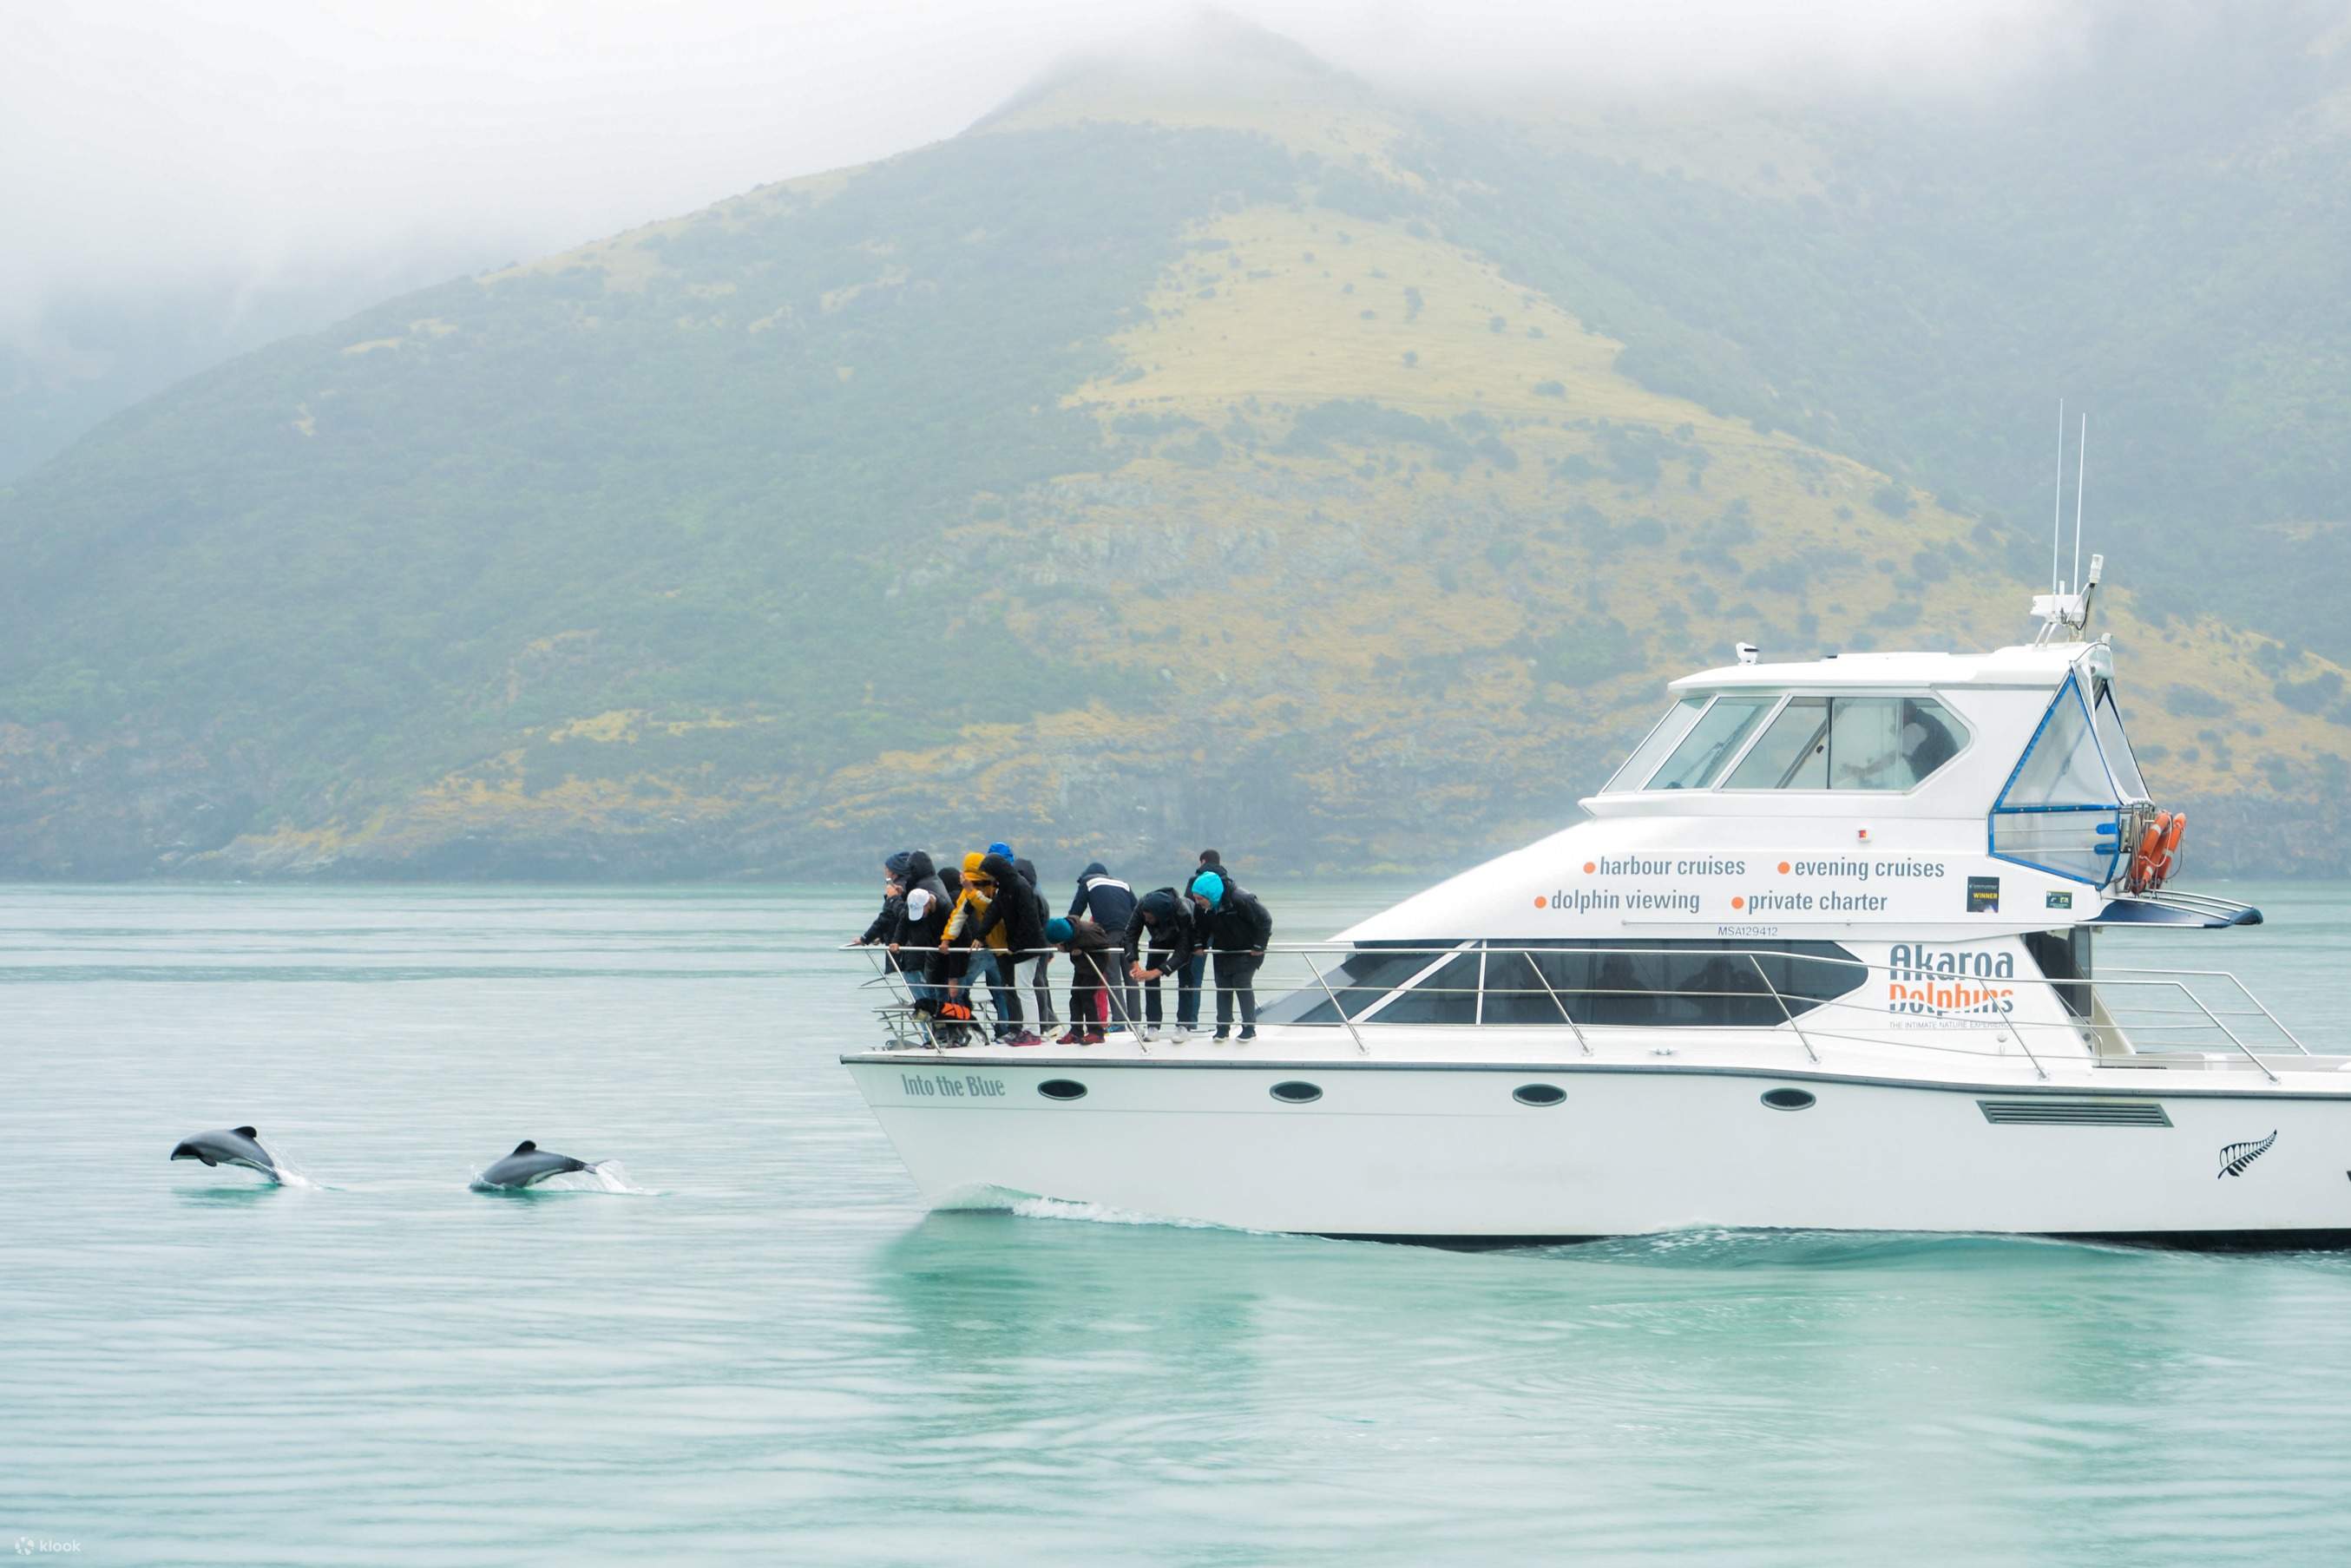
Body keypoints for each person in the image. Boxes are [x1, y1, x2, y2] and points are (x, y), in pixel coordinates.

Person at [942, 852, 1031, 1043]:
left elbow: (991, 910)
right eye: (975, 883)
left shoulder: (999, 889)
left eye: (981, 883)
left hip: (1006, 947)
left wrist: (972, 892)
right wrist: (947, 939)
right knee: (1005, 990)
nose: (978, 888)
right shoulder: (972, 892)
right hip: (995, 947)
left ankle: (1015, 1029)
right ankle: (1009, 1029)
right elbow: (958, 915)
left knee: (1009, 990)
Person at [970, 850, 1048, 1046]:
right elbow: (994, 912)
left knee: (1024, 988)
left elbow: (1029, 919)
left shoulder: (1020, 887)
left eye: (990, 874)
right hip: (1020, 946)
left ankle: (1033, 1032)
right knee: (1021, 987)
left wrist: (1015, 945)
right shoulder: (1005, 887)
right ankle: (1028, 1030)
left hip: (1028, 946)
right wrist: (981, 935)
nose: (989, 879)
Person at [1190, 869, 1271, 1041]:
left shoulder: (1241, 899)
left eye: (1200, 899)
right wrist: (1199, 944)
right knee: (1223, 986)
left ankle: (1249, 1028)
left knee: (1242, 984)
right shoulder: (1205, 908)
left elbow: (1265, 920)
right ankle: (1223, 1027)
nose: (1197, 903)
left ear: (1210, 894)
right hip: (1223, 950)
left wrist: (1259, 945)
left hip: (1247, 950)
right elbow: (1200, 928)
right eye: (1196, 899)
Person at [992, 842, 1057, 1031]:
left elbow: (1032, 920)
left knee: (1033, 984)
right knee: (1036, 983)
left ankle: (1042, 1026)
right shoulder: (1032, 889)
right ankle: (1046, 1024)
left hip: (1030, 946)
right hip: (1038, 944)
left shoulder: (1026, 891)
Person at [1067, 860, 1139, 1031]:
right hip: (1130, 934)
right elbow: (1138, 909)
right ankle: (1136, 1023)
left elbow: (1075, 914)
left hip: (1109, 934)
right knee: (1132, 978)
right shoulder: (1123, 884)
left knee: (1113, 977)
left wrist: (1068, 938)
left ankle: (1119, 1022)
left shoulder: (1088, 882)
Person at [884, 850, 951, 1031]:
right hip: (930, 956)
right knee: (933, 998)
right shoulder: (933, 884)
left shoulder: (927, 893)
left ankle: (934, 1034)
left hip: (920, 957)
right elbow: (906, 920)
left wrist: (894, 900)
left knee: (924, 1001)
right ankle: (939, 1033)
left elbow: (904, 918)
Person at [1126, 884, 1198, 1037]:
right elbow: (1130, 935)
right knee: (1149, 977)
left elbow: (1183, 953)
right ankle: (1153, 1025)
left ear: (1160, 914)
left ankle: (1183, 1025)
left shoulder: (1183, 912)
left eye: (1149, 918)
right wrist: (1135, 965)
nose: (1146, 920)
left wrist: (1156, 972)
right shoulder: (1142, 907)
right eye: (1145, 916)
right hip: (1159, 937)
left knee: (1186, 978)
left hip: (1184, 936)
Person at [1046, 915, 1123, 1045]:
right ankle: (1076, 1031)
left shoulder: (1088, 933)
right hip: (1081, 963)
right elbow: (1068, 945)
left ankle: (1096, 1032)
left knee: (1087, 995)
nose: (1056, 947)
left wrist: (1078, 948)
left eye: (1057, 944)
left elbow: (1104, 944)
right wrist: (1073, 948)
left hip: (1095, 962)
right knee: (1075, 995)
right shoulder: (1068, 929)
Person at [1179, 850, 1229, 1021]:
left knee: (1194, 978)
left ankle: (1190, 1021)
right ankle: (1224, 1022)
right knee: (1223, 980)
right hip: (1222, 934)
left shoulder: (1196, 881)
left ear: (1203, 861)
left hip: (1200, 935)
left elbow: (1188, 909)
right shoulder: (1226, 881)